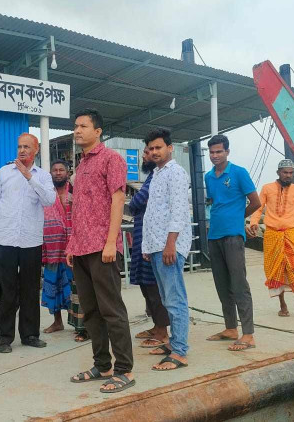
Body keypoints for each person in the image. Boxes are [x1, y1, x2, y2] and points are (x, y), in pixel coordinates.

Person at [65, 108, 135, 393]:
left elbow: (118, 200)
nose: (77, 130)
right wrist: (72, 244)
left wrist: (110, 242)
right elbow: (78, 210)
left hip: (102, 247)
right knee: (91, 311)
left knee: (111, 310)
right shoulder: (80, 165)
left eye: (83, 126)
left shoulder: (111, 159)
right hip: (81, 248)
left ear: (98, 131)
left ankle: (124, 370)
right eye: (75, 126)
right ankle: (102, 365)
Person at [0, 133, 56, 353]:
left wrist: (29, 177)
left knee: (30, 289)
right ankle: (2, 337)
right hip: (5, 239)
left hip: (31, 241)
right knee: (7, 290)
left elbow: (49, 200)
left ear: (36, 150)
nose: (22, 150)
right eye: (19, 147)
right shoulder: (4, 172)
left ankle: (30, 334)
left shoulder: (43, 176)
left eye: (26, 147)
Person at [204, 135, 261, 351]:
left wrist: (238, 218)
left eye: (219, 151)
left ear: (227, 152)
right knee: (222, 284)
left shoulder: (239, 172)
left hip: (233, 236)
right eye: (212, 152)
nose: (215, 155)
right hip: (214, 235)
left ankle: (248, 334)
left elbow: (256, 202)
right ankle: (230, 328)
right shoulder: (209, 177)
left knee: (239, 284)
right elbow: (214, 202)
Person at [141, 128, 192, 371]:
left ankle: (180, 351)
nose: (154, 152)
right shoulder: (157, 174)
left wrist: (171, 243)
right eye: (151, 148)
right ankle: (173, 343)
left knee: (175, 299)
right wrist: (147, 245)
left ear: (170, 148)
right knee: (165, 298)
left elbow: (179, 210)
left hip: (169, 245)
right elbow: (151, 213)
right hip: (156, 245)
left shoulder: (176, 173)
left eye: (158, 147)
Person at [248, 159, 294, 319]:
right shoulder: (267, 188)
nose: (288, 175)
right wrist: (254, 222)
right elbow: (258, 208)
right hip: (272, 234)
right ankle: (282, 305)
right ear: (278, 172)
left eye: (291, 173)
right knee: (276, 270)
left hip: (291, 234)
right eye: (285, 172)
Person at [40, 159, 88, 342]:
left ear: (67, 173)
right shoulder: (47, 194)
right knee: (53, 285)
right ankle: (57, 321)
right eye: (55, 170)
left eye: (61, 170)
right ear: (50, 174)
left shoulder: (75, 191)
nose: (58, 173)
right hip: (51, 247)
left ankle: (79, 324)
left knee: (74, 287)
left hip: (71, 248)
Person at [128, 147, 170, 350]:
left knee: (153, 287)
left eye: (148, 152)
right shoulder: (150, 178)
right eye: (146, 152)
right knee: (145, 285)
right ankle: (156, 326)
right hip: (141, 238)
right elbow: (136, 203)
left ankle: (162, 332)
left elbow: (136, 202)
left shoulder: (157, 179)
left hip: (152, 240)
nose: (145, 156)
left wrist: (135, 202)